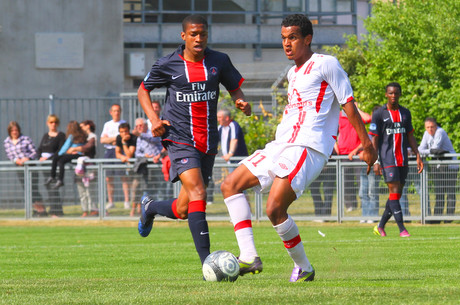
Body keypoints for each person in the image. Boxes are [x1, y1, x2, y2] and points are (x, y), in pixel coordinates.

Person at [219, 14, 377, 282]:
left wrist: (367, 145)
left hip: (308, 146)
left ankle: (303, 267)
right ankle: (248, 256)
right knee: (229, 185)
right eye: (283, 38)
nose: (286, 44)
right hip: (281, 144)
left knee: (274, 209)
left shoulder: (327, 64)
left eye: (292, 37)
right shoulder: (292, 73)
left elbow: (348, 104)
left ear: (307, 39)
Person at [137, 14, 251, 267]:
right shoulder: (168, 64)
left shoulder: (219, 61)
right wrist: (154, 120)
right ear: (184, 36)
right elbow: (143, 90)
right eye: (194, 34)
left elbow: (235, 88)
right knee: (199, 191)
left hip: (208, 141)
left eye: (203, 34)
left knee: (185, 208)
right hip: (178, 138)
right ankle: (207, 263)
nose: (199, 38)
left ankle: (151, 207)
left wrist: (240, 101)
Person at [370, 82, 423, 237]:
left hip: (402, 160)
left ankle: (380, 227)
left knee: (396, 195)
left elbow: (410, 136)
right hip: (387, 159)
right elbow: (374, 139)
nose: (393, 96)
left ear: (400, 94)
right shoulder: (379, 114)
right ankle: (402, 229)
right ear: (386, 94)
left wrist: (418, 155)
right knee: (394, 191)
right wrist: (375, 161)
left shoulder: (405, 113)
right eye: (391, 93)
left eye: (396, 93)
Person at [418, 117, 457, 221]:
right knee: (438, 192)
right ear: (425, 127)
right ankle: (437, 218)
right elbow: (421, 148)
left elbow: (435, 149)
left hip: (450, 165)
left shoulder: (440, 132)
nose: (430, 129)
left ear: (436, 126)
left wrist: (423, 151)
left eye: (432, 127)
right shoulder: (426, 134)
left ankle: (449, 218)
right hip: (438, 165)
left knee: (450, 192)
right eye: (428, 127)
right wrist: (424, 151)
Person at [336, 103, 372, 212]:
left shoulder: (357, 115)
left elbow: (369, 118)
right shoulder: (339, 116)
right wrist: (335, 146)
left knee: (360, 180)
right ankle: (350, 205)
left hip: (358, 153)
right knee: (346, 181)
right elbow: (332, 132)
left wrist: (357, 110)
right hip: (343, 154)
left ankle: (363, 204)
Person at [349, 106, 382, 223]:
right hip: (365, 166)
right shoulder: (370, 132)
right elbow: (364, 143)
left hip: (374, 165)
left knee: (372, 191)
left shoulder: (381, 132)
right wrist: (355, 152)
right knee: (363, 192)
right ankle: (365, 215)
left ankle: (372, 216)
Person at [3, 121, 44, 216]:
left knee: (34, 188)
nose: (14, 132)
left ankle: (42, 210)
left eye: (16, 130)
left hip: (30, 166)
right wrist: (16, 160)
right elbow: (10, 155)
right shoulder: (7, 142)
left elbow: (35, 152)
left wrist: (28, 158)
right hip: (20, 167)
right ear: (9, 131)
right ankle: (36, 210)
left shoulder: (25, 139)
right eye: (12, 130)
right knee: (26, 189)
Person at [130, 117, 162, 217]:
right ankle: (143, 210)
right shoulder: (139, 138)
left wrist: (140, 134)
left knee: (158, 188)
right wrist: (145, 156)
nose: (138, 128)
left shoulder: (152, 132)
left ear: (146, 126)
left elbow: (153, 139)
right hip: (145, 167)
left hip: (157, 166)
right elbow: (137, 153)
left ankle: (160, 210)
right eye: (137, 126)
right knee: (143, 188)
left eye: (141, 125)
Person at [36, 114, 66, 217]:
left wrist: (48, 159)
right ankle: (53, 209)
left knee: (54, 187)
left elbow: (60, 151)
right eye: (51, 122)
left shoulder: (61, 135)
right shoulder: (45, 136)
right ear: (47, 123)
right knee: (49, 187)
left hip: (54, 164)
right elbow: (40, 148)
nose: (53, 124)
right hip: (45, 166)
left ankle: (56, 211)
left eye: (55, 122)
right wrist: (39, 157)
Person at [44, 121, 87, 190]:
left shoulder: (71, 136)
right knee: (59, 160)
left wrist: (59, 154)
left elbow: (66, 146)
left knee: (59, 160)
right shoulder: (83, 135)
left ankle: (57, 178)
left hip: (75, 154)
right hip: (79, 155)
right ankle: (55, 177)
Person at [100, 104, 128, 210]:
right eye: (114, 111)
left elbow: (124, 138)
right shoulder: (107, 124)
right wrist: (115, 138)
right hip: (109, 152)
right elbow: (102, 140)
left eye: (118, 111)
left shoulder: (123, 124)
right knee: (108, 178)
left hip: (120, 151)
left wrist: (113, 140)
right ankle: (111, 201)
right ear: (110, 112)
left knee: (123, 177)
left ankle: (126, 201)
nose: (116, 113)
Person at [70, 120, 98, 217]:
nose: (80, 129)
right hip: (79, 168)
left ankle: (93, 209)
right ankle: (85, 210)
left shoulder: (92, 137)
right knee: (81, 190)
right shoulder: (78, 138)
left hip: (89, 167)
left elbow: (88, 147)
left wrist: (75, 149)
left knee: (90, 190)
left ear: (88, 126)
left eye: (82, 126)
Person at [114, 122, 137, 215]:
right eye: (121, 132)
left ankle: (135, 209)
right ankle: (134, 209)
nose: (123, 134)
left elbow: (130, 154)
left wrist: (124, 143)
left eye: (125, 131)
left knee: (136, 188)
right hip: (128, 166)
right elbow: (117, 153)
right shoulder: (118, 137)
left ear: (129, 131)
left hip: (136, 166)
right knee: (131, 186)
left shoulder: (134, 138)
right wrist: (121, 157)